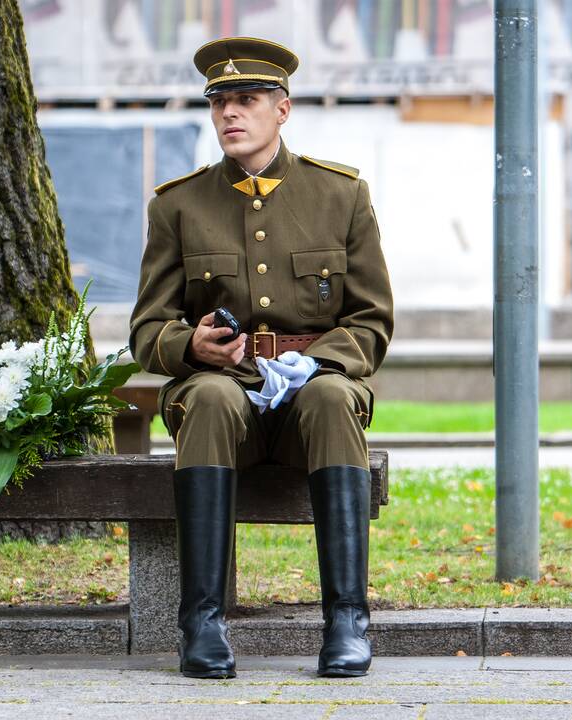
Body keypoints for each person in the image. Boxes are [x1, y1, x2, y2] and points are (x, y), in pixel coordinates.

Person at [128, 36, 394, 679]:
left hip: (314, 398)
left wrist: (322, 363)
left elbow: (372, 320)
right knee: (214, 395)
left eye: (246, 101)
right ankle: (202, 622)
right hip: (226, 398)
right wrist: (188, 345)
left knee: (333, 397)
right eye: (219, 103)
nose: (229, 115)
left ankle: (347, 621)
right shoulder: (179, 205)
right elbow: (147, 328)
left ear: (283, 109)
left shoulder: (341, 196)